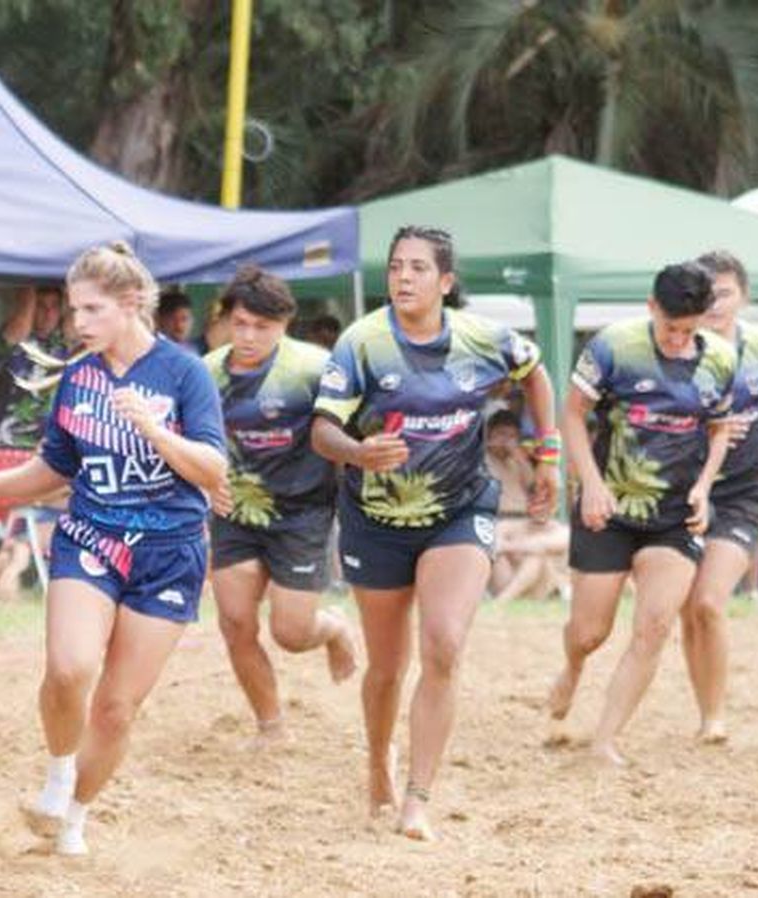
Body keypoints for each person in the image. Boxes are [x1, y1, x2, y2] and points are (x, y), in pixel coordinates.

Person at [0, 241, 227, 857]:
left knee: (118, 709)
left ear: (130, 305)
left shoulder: (184, 373)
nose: (78, 324)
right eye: (74, 310)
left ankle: (74, 815)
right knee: (70, 669)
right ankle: (60, 771)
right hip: (92, 535)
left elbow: (210, 468)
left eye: (91, 310)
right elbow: (56, 467)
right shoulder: (79, 375)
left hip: (169, 552)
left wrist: (154, 428)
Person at [311, 225, 557, 841]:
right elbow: (322, 432)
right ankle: (377, 766)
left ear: (445, 282)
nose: (403, 278)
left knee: (444, 644)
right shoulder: (361, 343)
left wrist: (546, 453)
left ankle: (418, 799)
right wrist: (361, 452)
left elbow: (536, 372)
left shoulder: (483, 339)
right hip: (376, 521)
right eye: (396, 266)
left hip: (458, 511)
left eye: (418, 268)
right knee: (388, 668)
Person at [548, 261, 735, 766]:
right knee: (590, 632)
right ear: (651, 308)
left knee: (654, 626)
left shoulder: (719, 358)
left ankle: (604, 739)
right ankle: (572, 666)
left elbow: (719, 429)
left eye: (688, 329)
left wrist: (703, 487)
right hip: (608, 507)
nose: (678, 339)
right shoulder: (613, 347)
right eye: (670, 327)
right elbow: (571, 413)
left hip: (676, 515)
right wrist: (589, 484)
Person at [203, 265, 357, 748]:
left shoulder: (315, 368)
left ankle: (332, 628)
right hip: (235, 512)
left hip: (303, 513)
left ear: (284, 323)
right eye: (240, 323)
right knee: (235, 621)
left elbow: (349, 427)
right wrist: (206, 486)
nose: (248, 336)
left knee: (290, 632)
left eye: (261, 327)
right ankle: (271, 725)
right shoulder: (206, 373)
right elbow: (190, 442)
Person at [680, 250, 758, 744]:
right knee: (687, 608)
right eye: (706, 293)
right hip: (682, 491)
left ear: (743, 296)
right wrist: (712, 427)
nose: (715, 302)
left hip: (742, 491)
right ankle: (704, 708)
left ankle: (715, 716)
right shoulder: (677, 348)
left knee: (710, 602)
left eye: (725, 292)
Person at [485, 411, 569, 601]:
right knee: (502, 549)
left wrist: (519, 457)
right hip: (498, 521)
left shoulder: (517, 462)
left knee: (560, 540)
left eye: (512, 436)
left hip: (526, 523)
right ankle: (511, 595)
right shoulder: (481, 461)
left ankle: (511, 597)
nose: (507, 440)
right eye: (501, 434)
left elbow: (534, 486)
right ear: (490, 436)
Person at [0, 285, 77, 446]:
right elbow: (23, 316)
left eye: (54, 306)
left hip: (48, 443)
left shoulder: (62, 341)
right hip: (8, 438)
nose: (48, 313)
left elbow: (74, 322)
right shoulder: (13, 336)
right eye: (41, 306)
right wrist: (31, 269)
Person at [156, 288, 202, 353]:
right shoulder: (154, 350)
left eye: (184, 319)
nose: (179, 325)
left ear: (192, 320)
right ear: (160, 320)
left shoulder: (194, 348)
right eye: (172, 319)